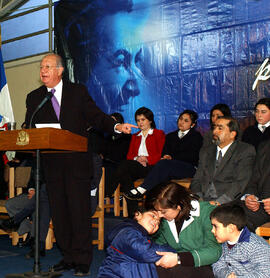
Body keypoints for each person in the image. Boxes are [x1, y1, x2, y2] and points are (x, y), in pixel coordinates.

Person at [24, 53, 135, 276]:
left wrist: (115, 127)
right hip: (52, 164)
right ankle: (68, 257)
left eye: (47, 67)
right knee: (61, 215)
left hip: (76, 163)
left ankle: (83, 259)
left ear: (60, 70)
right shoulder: (34, 97)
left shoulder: (78, 92)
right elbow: (30, 125)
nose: (43, 71)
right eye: (41, 67)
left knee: (78, 213)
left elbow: (96, 116)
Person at [145, 181, 222, 278]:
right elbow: (159, 243)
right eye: (157, 211)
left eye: (163, 212)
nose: (159, 215)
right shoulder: (166, 218)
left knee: (176, 272)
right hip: (177, 264)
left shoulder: (206, 213)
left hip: (203, 264)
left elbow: (214, 251)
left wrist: (178, 258)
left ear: (179, 206)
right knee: (147, 269)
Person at [124, 110, 203, 200]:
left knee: (164, 165)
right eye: (180, 119)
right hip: (170, 167)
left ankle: (143, 188)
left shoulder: (196, 136)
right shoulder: (170, 136)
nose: (181, 122)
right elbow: (165, 151)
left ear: (192, 125)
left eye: (186, 121)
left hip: (188, 167)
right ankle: (155, 203)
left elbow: (193, 155)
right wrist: (166, 156)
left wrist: (172, 157)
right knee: (162, 168)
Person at [110, 106, 165, 216]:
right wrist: (137, 158)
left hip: (153, 167)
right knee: (125, 171)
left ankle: (110, 189)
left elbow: (161, 155)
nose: (140, 123)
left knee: (123, 170)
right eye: (138, 120)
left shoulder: (159, 134)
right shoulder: (135, 136)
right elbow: (130, 156)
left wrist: (147, 159)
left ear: (150, 120)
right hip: (137, 166)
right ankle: (134, 212)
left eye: (143, 120)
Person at [190, 116, 256, 204]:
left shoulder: (244, 150)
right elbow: (197, 179)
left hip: (229, 201)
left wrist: (219, 202)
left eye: (220, 128)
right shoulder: (206, 151)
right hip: (203, 199)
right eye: (214, 127)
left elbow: (240, 183)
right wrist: (199, 199)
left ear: (232, 134)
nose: (215, 131)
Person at [97, 208, 175, 278]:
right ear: (137, 215)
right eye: (153, 216)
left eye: (158, 223)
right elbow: (145, 251)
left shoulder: (142, 238)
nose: (156, 221)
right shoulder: (127, 232)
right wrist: (175, 253)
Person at [210, 203, 270, 278]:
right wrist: (226, 275)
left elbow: (265, 273)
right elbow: (217, 264)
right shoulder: (222, 243)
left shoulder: (256, 246)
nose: (212, 230)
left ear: (231, 228)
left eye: (215, 226)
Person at [239, 140, 270, 232]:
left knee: (235, 222)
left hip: (263, 213)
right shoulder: (265, 146)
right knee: (219, 212)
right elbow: (254, 180)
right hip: (259, 204)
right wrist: (249, 196)